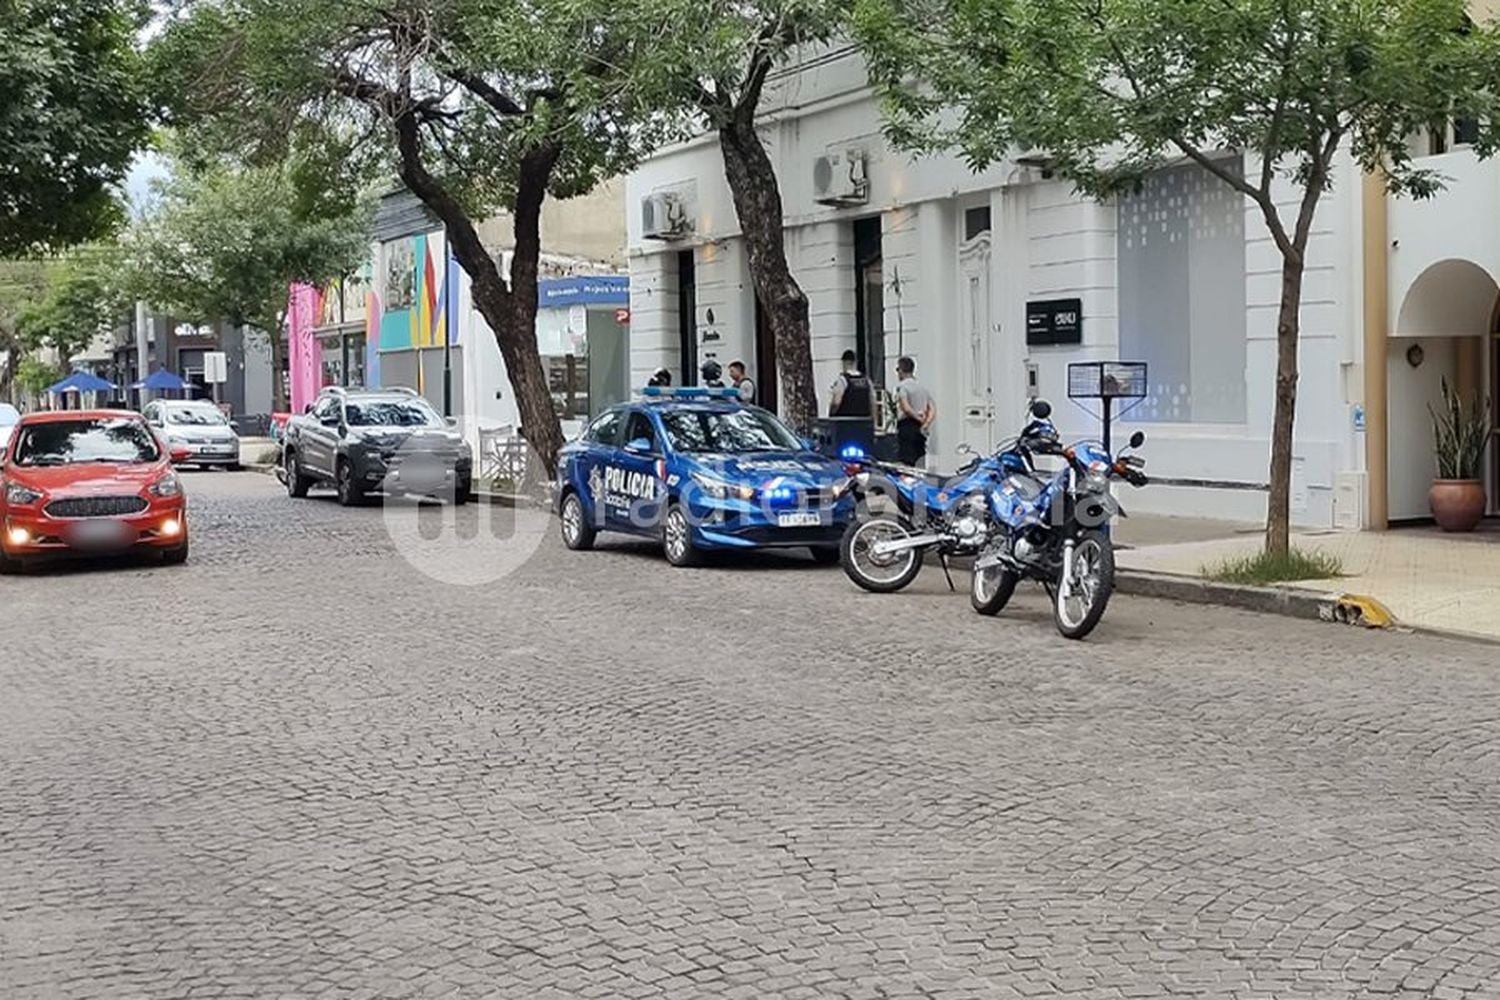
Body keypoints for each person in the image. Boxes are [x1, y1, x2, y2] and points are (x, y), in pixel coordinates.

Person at [894, 356, 935, 467]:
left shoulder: (902, 387)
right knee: (919, 459)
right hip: (920, 429)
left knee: (907, 462)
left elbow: (906, 408)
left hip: (907, 426)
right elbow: (932, 408)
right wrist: (925, 424)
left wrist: (917, 418)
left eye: (898, 369)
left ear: (901, 370)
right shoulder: (922, 387)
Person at [828, 350, 872, 417]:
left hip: (846, 423)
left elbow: (836, 402)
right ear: (855, 362)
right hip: (864, 422)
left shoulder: (843, 380)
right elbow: (873, 403)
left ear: (844, 362)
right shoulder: (866, 380)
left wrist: (831, 414)